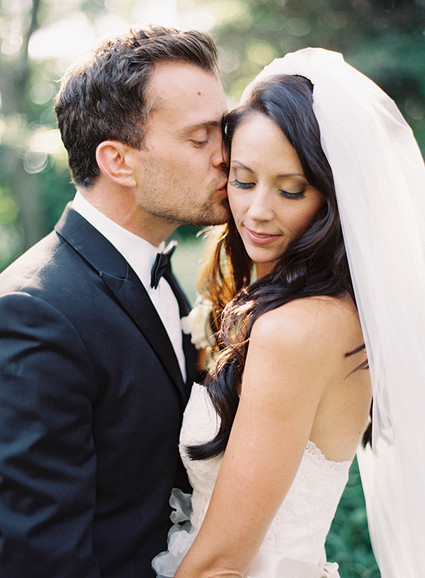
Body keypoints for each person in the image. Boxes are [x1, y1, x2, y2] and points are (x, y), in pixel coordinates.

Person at [153, 48, 425, 578]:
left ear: (334, 199)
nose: (258, 212)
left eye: (291, 190)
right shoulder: (329, 311)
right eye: (243, 180)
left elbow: (221, 564)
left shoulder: (295, 331)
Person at [0, 25, 228, 577]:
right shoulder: (34, 311)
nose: (227, 157)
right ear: (118, 161)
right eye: (200, 140)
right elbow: (43, 555)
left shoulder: (160, 275)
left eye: (223, 132)